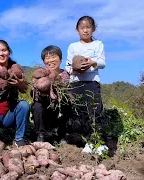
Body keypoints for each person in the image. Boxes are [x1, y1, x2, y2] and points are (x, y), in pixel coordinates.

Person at [65, 15, 108, 153]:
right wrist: (76, 69)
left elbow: (103, 63)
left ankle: (99, 142)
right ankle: (88, 141)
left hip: (92, 82)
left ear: (93, 29)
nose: (85, 30)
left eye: (88, 27)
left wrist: (92, 62)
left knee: (95, 110)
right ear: (77, 30)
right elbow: (67, 66)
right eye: (82, 28)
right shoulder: (72, 46)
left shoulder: (98, 44)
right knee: (80, 111)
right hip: (76, 83)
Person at [31, 45, 70, 143]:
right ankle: (40, 134)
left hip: (60, 109)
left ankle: (63, 134)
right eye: (47, 58)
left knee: (69, 105)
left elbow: (67, 93)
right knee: (37, 106)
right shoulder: (40, 74)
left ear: (60, 60)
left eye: (54, 57)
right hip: (46, 111)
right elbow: (33, 95)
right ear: (44, 61)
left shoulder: (66, 74)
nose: (51, 60)